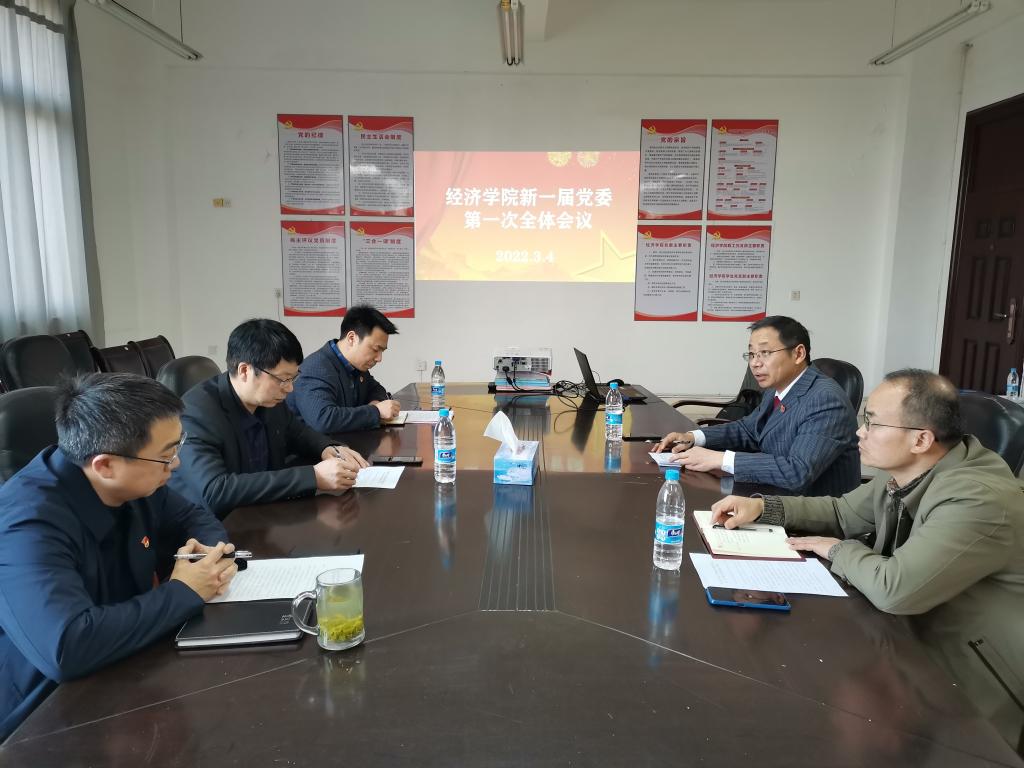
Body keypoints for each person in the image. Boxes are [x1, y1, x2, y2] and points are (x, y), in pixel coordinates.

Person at [711, 369, 1024, 747]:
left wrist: (837, 548)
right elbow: (843, 513)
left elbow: (896, 589)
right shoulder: (912, 470)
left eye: (873, 423)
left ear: (921, 439)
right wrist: (765, 507)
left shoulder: (977, 499)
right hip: (908, 647)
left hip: (976, 691)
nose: (860, 432)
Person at [0, 373, 238, 739]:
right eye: (166, 456)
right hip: (41, 715)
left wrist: (207, 557)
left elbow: (193, 517)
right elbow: (67, 647)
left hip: (127, 667)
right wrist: (184, 591)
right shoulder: (26, 524)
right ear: (105, 465)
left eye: (176, 448)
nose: (175, 465)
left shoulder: (136, 479)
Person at [170, 319, 368, 519]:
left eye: (293, 378)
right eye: (283, 379)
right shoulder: (197, 413)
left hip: (261, 513)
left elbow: (297, 432)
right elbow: (216, 491)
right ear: (245, 370)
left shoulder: (268, 399)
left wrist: (327, 448)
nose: (289, 388)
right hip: (212, 525)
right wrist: (314, 477)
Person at [656, 316, 860, 496]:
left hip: (813, 513)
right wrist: (694, 437)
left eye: (765, 353)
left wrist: (720, 459)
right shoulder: (777, 388)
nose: (755, 363)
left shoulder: (826, 399)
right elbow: (749, 430)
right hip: (772, 495)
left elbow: (798, 471)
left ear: (798, 354)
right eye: (752, 354)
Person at [287, 305, 400, 433]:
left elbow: (376, 389)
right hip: (313, 445)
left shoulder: (355, 366)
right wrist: (376, 411)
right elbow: (323, 419)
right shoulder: (316, 368)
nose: (379, 358)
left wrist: (375, 402)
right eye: (375, 349)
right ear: (352, 338)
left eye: (382, 351)